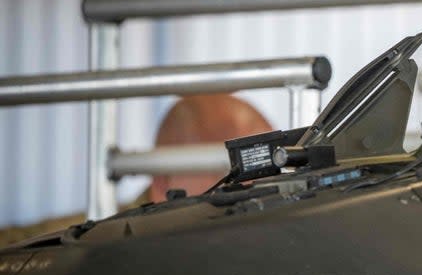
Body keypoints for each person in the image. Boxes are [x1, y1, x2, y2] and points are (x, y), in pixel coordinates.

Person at [0, 94, 272, 247]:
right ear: (163, 183)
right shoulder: (60, 248)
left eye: (267, 173)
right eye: (228, 180)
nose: (255, 196)